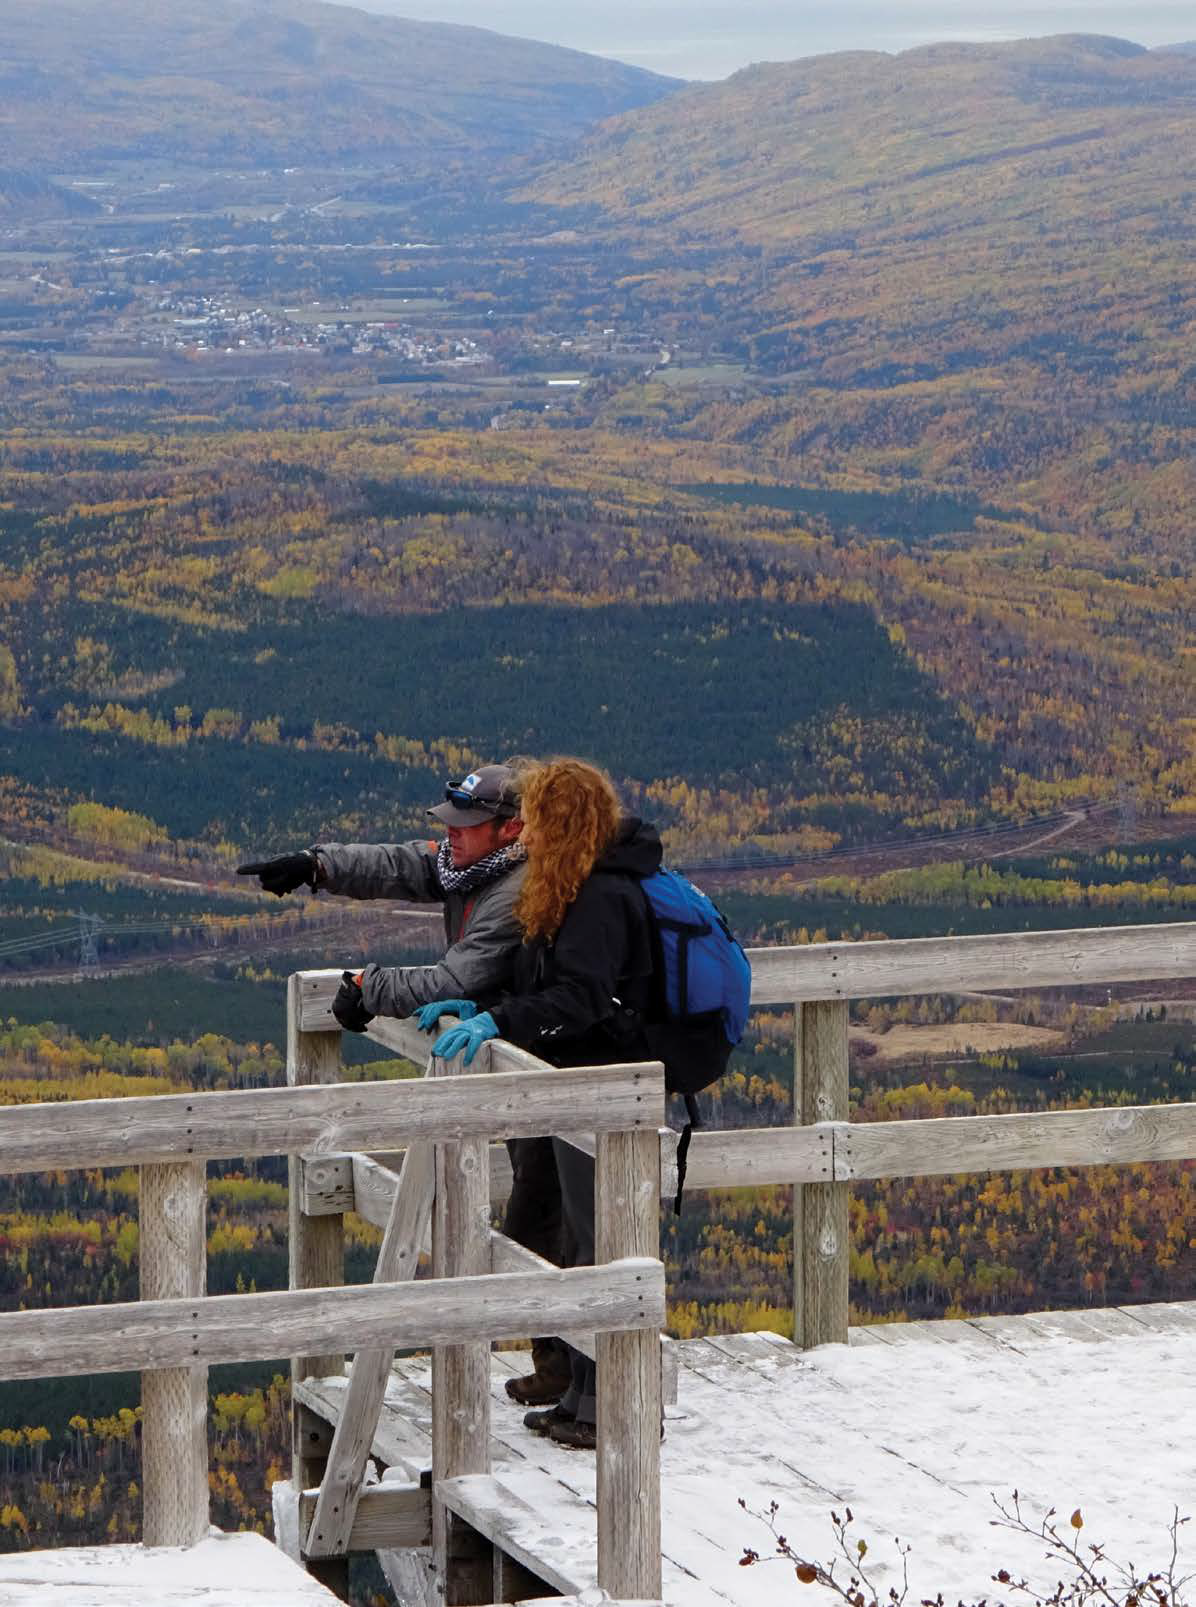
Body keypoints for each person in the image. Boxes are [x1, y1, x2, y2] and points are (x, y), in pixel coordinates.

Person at [236, 763, 573, 1406]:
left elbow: (457, 978)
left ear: (512, 829)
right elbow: (398, 864)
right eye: (450, 825)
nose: (453, 838)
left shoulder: (514, 890)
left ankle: (579, 1368)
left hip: (560, 1060)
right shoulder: (472, 864)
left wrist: (371, 991)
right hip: (533, 1049)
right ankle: (560, 1364)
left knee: (551, 1214)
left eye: (469, 827)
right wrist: (316, 866)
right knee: (542, 1208)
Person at [428, 757, 662, 1451]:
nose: (521, 830)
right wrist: (482, 1005)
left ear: (562, 822)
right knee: (576, 1238)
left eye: (534, 817)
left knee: (597, 1247)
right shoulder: (568, 886)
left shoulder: (600, 895)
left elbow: (581, 997)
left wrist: (498, 1023)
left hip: (605, 1093)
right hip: (580, 1088)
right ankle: (578, 1393)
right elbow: (542, 980)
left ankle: (603, 1407)